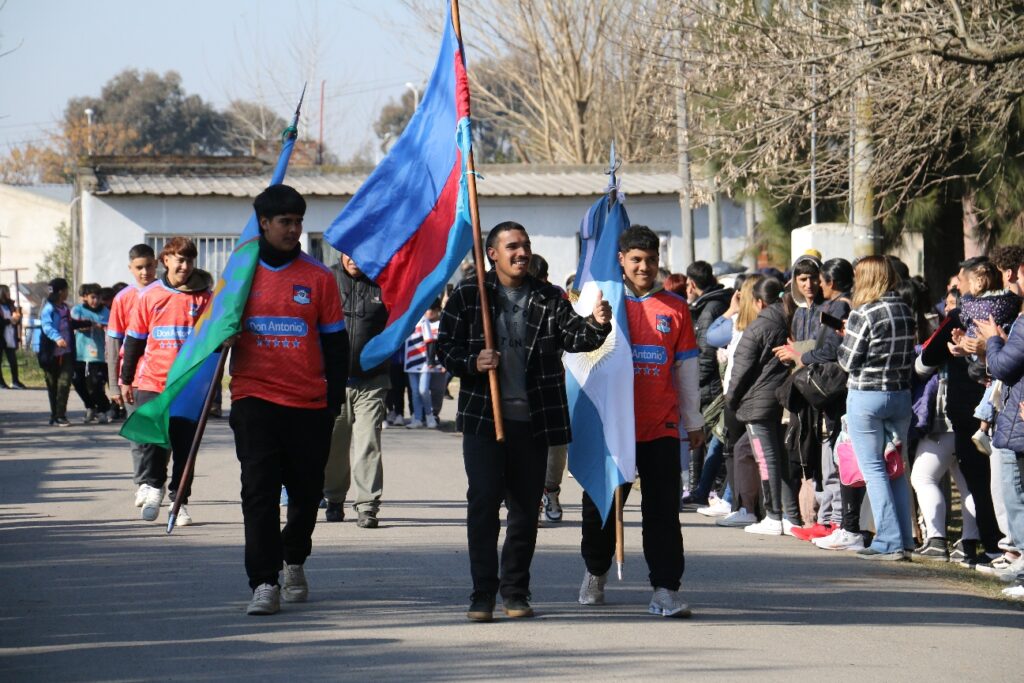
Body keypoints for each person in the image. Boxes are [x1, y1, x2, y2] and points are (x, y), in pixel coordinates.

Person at [436, 220, 611, 622]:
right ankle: (482, 593)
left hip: (534, 422)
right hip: (485, 419)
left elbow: (576, 338)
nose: (522, 252)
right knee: (482, 505)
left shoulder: (548, 297)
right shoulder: (469, 295)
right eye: (512, 246)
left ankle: (515, 590)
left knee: (523, 510)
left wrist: (598, 324)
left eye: (526, 245)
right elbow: (445, 348)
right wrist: (472, 362)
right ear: (492, 254)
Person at [228, 184, 349, 615]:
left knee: (305, 493)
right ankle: (263, 581)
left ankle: (294, 557)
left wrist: (332, 402)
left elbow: (336, 346)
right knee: (258, 493)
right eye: (285, 222)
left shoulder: (318, 278)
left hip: (309, 404)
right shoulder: (239, 273)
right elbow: (212, 333)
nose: (294, 229)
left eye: (299, 221)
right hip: (253, 397)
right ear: (264, 223)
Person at [577, 226, 702, 618]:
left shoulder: (676, 308)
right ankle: (595, 571)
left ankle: (665, 588)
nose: (644, 266)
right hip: (613, 428)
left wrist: (694, 421)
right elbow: (579, 360)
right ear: (621, 260)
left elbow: (686, 371)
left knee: (663, 512)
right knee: (601, 506)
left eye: (650, 260)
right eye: (636, 260)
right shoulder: (603, 302)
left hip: (660, 427)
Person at [120, 238, 212, 525]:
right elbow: (134, 339)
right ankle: (154, 487)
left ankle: (180, 500)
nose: (184, 266)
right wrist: (126, 379)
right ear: (166, 260)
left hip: (189, 385)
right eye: (179, 260)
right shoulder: (150, 295)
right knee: (153, 441)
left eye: (189, 260)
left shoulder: (205, 297)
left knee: (185, 446)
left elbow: (213, 341)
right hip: (152, 381)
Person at [837, 256, 917, 560]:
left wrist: (844, 338)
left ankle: (888, 540)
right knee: (897, 468)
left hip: (867, 395)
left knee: (874, 469)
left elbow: (847, 361)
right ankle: (904, 539)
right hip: (900, 394)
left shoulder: (864, 313)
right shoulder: (904, 310)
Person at [726, 276, 802, 535]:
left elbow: (741, 368)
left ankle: (773, 515)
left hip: (758, 402)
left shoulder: (759, 326)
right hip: (785, 399)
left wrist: (732, 400)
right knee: (781, 458)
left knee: (766, 459)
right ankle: (791, 516)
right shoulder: (793, 319)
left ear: (758, 302)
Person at [322, 252, 389, 528]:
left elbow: (399, 320)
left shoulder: (384, 282)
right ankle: (334, 498)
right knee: (334, 447)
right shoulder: (325, 279)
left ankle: (367, 505)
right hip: (333, 381)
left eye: (363, 254)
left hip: (371, 381)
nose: (356, 261)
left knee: (368, 442)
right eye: (351, 254)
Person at [106, 244, 158, 506]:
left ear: (157, 264)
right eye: (139, 267)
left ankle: (159, 482)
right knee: (138, 433)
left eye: (149, 266)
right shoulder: (123, 299)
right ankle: (142, 483)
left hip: (162, 376)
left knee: (164, 435)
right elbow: (113, 344)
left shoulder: (166, 293)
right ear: (131, 268)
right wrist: (115, 384)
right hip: (133, 378)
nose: (145, 272)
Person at [683, 261, 733, 506]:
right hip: (718, 381)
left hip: (710, 384)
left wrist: (696, 382)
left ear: (691, 284)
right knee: (713, 437)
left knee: (707, 436)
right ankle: (703, 488)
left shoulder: (707, 310)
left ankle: (702, 489)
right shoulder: (719, 302)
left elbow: (704, 351)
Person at [528, 253, 569, 523]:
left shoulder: (557, 298)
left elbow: (571, 335)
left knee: (555, 444)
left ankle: (550, 491)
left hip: (551, 380)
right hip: (516, 387)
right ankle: (523, 496)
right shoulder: (501, 297)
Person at [39, 278, 91, 426]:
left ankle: (61, 415)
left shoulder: (64, 308)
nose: (67, 293)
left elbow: (69, 324)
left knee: (64, 383)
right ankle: (54, 415)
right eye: (66, 290)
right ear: (61, 291)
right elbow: (47, 327)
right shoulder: (48, 309)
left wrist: (88, 323)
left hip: (67, 353)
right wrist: (57, 338)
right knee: (52, 385)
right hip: (50, 355)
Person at [71, 283, 111, 423]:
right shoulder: (78, 310)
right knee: (77, 382)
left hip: (97, 355)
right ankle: (90, 407)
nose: (95, 301)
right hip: (80, 353)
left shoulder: (105, 311)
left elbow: (110, 326)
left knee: (95, 385)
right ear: (85, 298)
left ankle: (103, 409)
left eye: (98, 297)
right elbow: (75, 324)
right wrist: (87, 325)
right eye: (92, 297)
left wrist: (102, 326)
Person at [404, 300, 442, 429]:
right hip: (409, 362)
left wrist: (431, 361)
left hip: (424, 361)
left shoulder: (423, 320)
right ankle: (417, 419)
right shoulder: (406, 322)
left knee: (423, 390)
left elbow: (430, 341)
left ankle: (429, 415)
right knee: (414, 392)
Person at [0, 284, 25, 389]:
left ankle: (15, 381)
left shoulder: (11, 305)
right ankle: (1, 382)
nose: (9, 294)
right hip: (1, 335)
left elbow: (16, 317)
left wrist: (18, 317)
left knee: (13, 360)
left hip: (10, 335)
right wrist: (9, 320)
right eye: (7, 291)